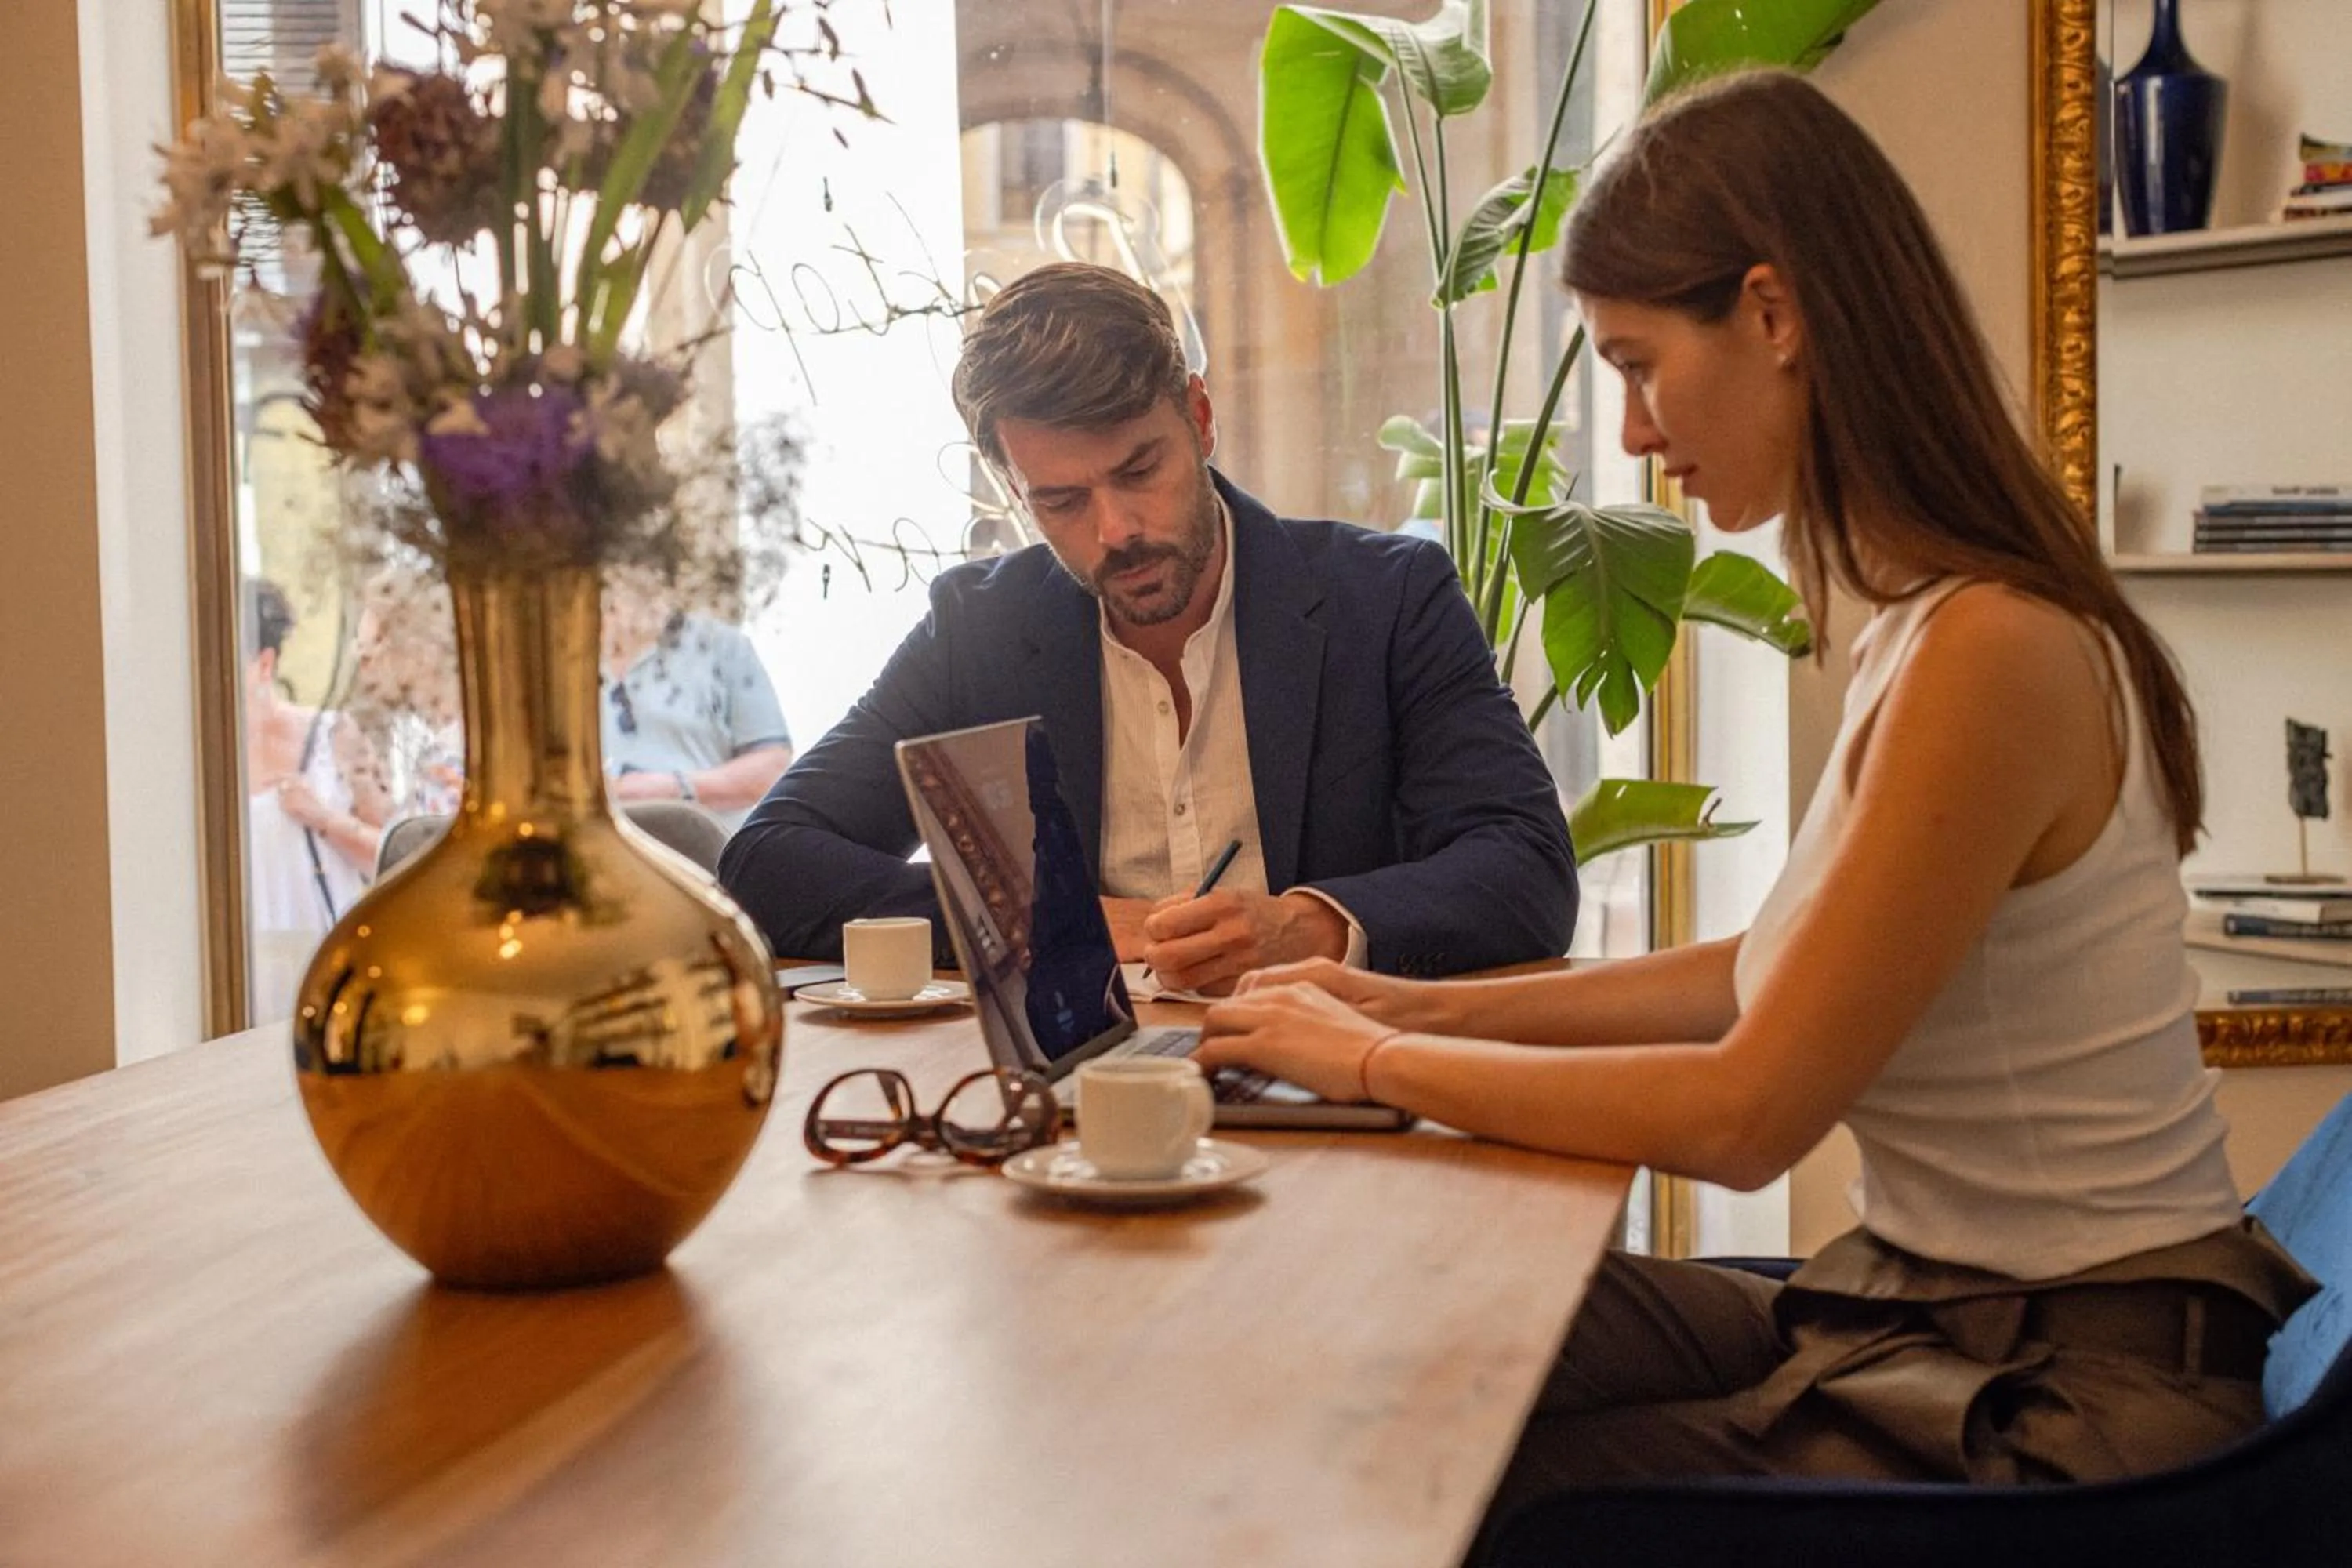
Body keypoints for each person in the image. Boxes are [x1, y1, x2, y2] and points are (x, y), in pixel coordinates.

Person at [1192, 71, 2316, 1544]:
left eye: (1640, 365)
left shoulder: (1992, 651)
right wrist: (1399, 1001)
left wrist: (1374, 1061)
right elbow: (1757, 972)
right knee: (1409, 1339)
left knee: (1462, 1484)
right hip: (1938, 1315)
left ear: (1774, 315)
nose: (1633, 433)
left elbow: (1746, 1113)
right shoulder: (1926, 622)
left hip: (2063, 1394)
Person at [719, 262, 1577, 989]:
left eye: (1139, 470)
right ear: (1016, 490)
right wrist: (1055, 919)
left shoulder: (1387, 601)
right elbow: (769, 860)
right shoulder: (979, 630)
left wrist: (1309, 926)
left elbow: (1527, 867)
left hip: (1335, 1063)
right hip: (1082, 1078)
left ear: (1199, 419)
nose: (1116, 530)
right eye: (1062, 500)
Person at [243, 578, 390, 1013]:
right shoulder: (197, 763)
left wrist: (322, 818)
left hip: (326, 966)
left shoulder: (334, 735)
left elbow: (393, 858)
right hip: (242, 978)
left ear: (265, 664)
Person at [600, 570, 795, 833]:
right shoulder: (557, 652)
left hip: (700, 850)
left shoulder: (722, 645)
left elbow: (771, 768)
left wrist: (674, 789)